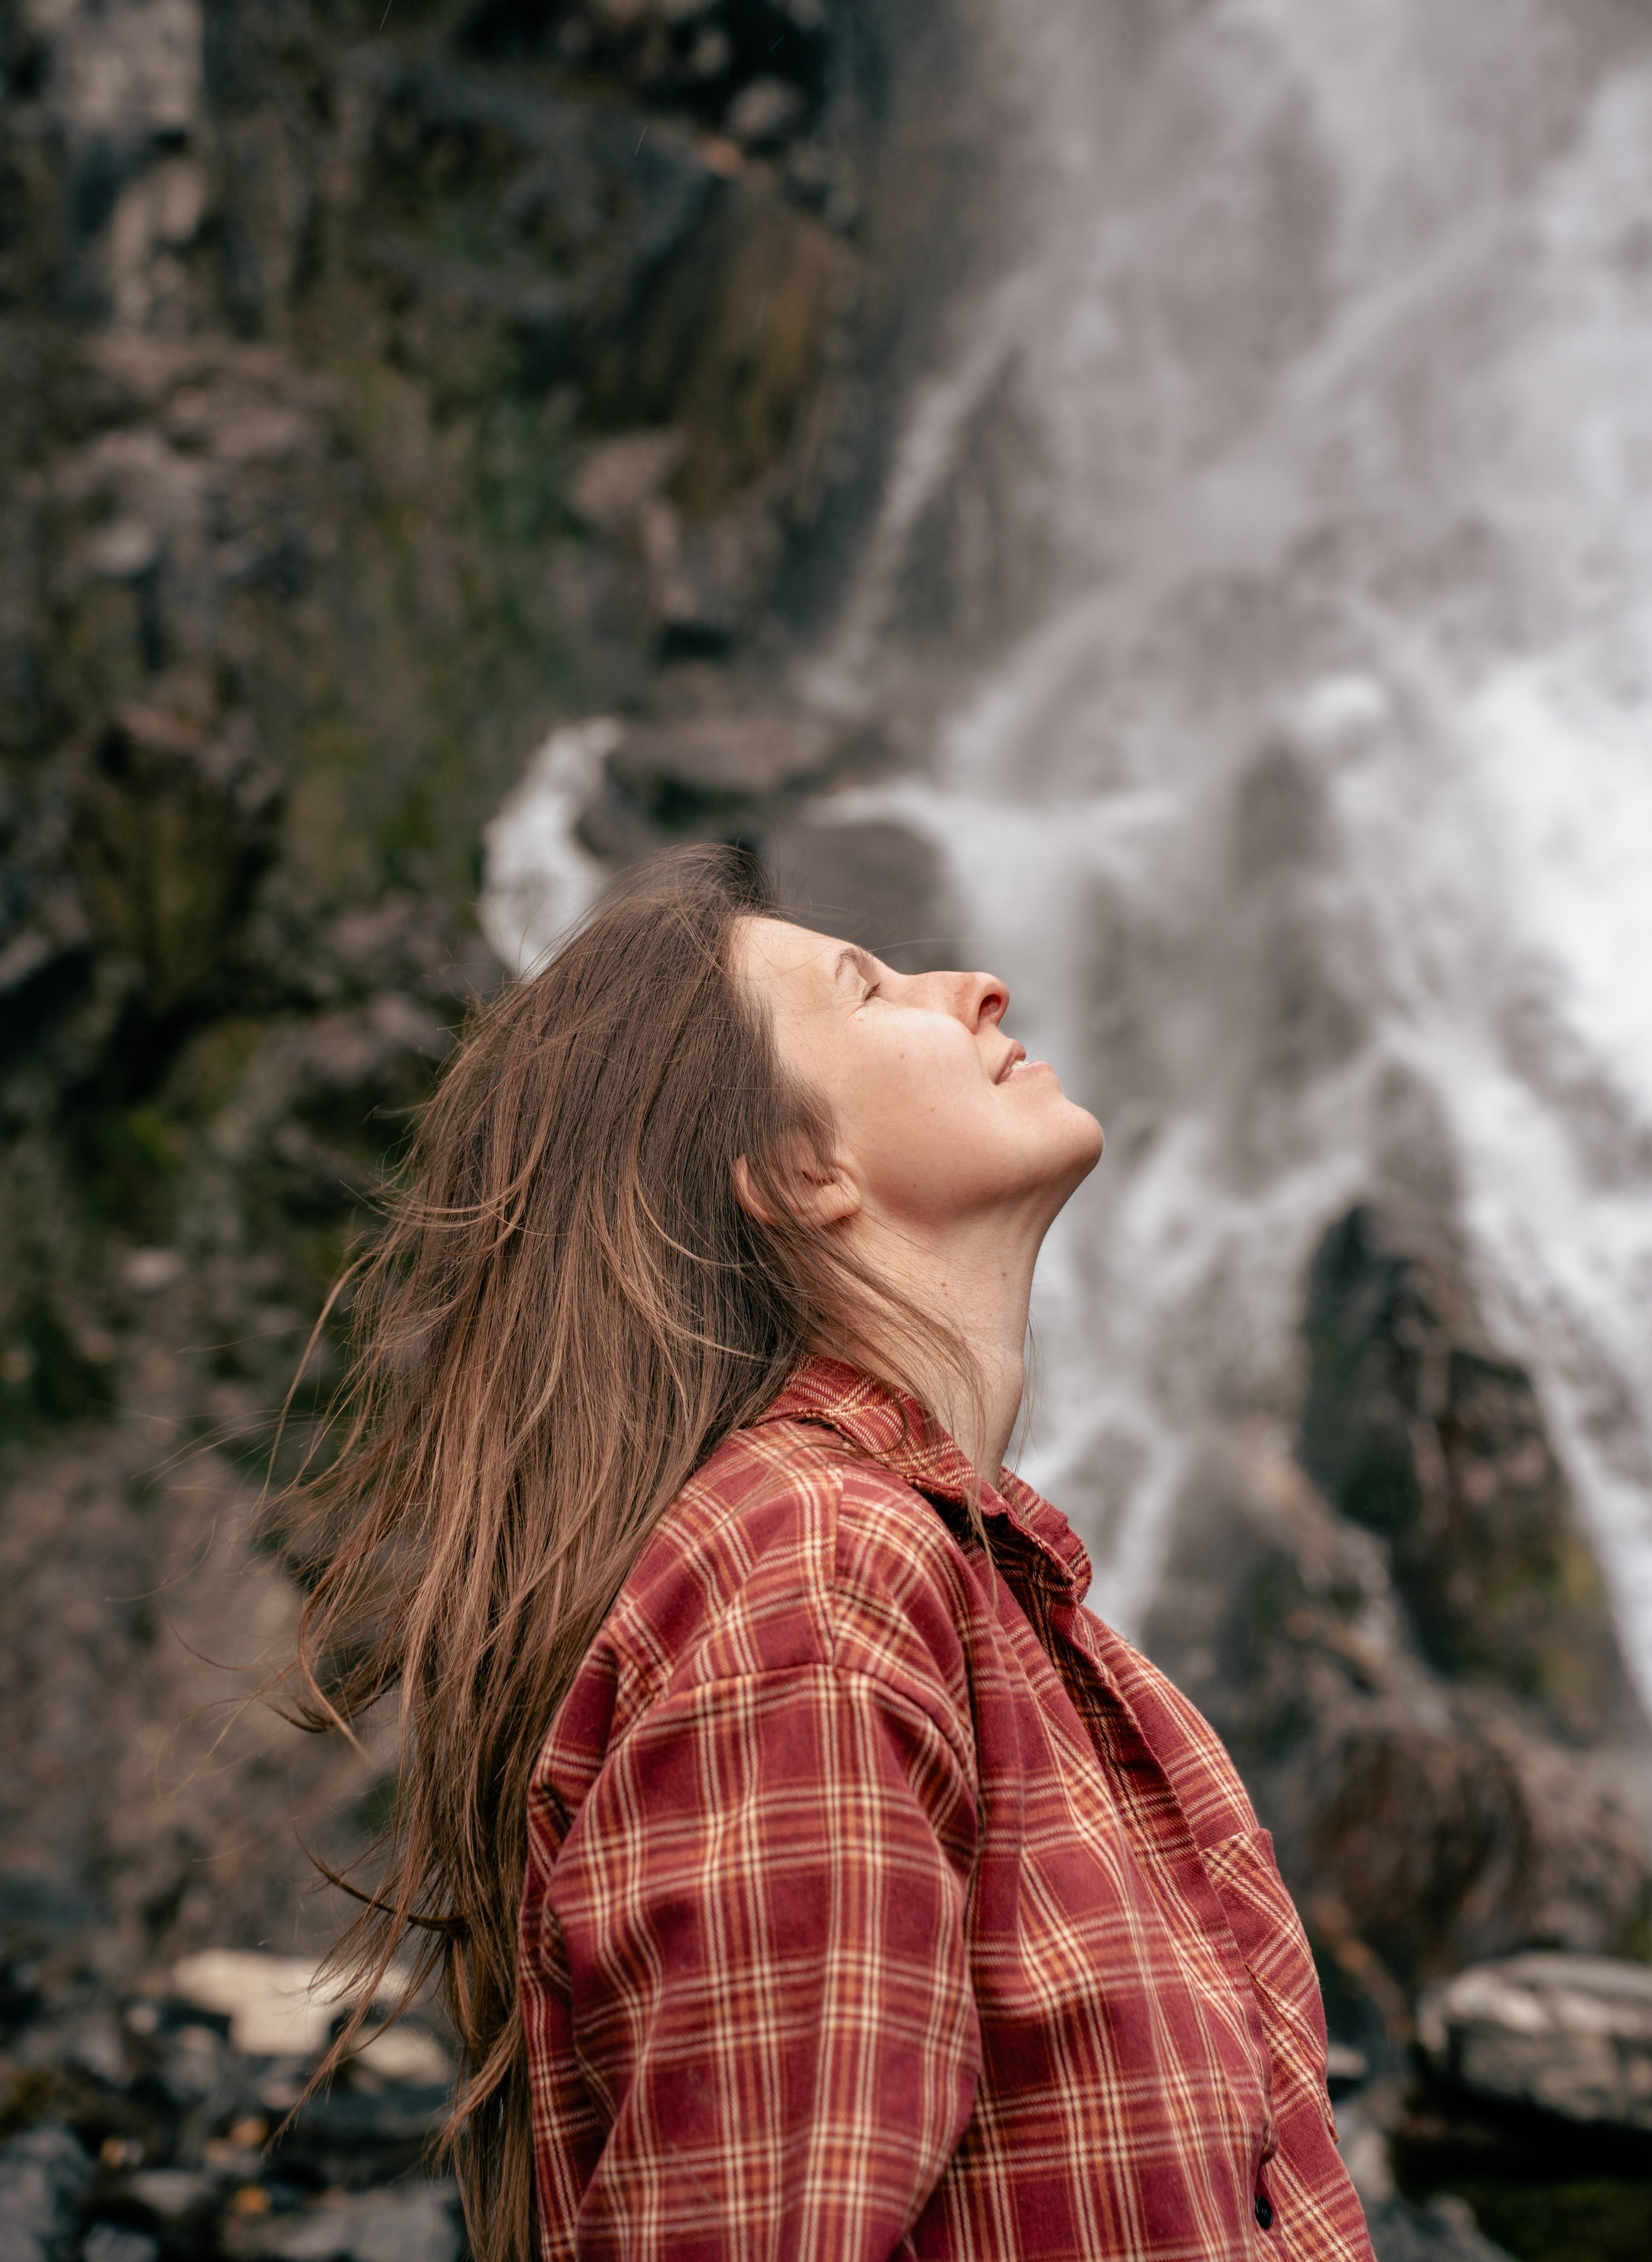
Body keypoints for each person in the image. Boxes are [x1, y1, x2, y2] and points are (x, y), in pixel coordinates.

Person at [285, 844, 1375, 2262]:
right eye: (869, 992)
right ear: (795, 1173)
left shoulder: (975, 1587)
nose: (976, 987)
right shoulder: (812, 1568)